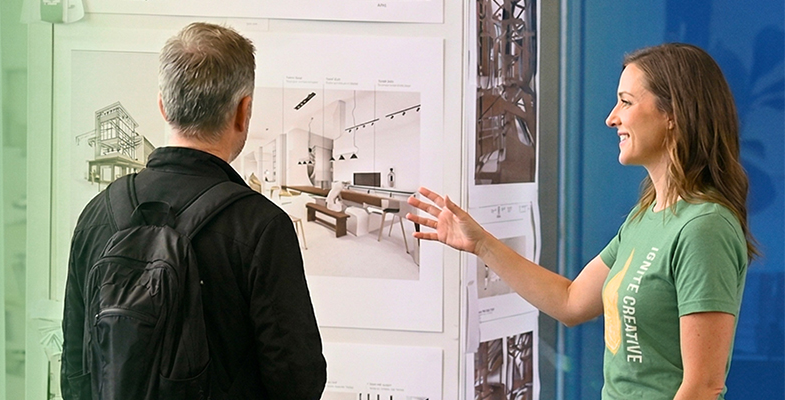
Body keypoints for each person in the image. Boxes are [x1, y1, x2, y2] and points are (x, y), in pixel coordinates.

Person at [407, 43, 755, 400]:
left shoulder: (704, 228)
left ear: (674, 114)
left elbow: (704, 386)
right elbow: (570, 301)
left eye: (627, 101)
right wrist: (481, 243)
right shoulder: (645, 217)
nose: (612, 117)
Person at [61, 22, 327, 399]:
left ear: (163, 106)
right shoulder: (261, 226)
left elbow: (75, 365)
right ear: (243, 110)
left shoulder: (98, 214)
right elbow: (297, 380)